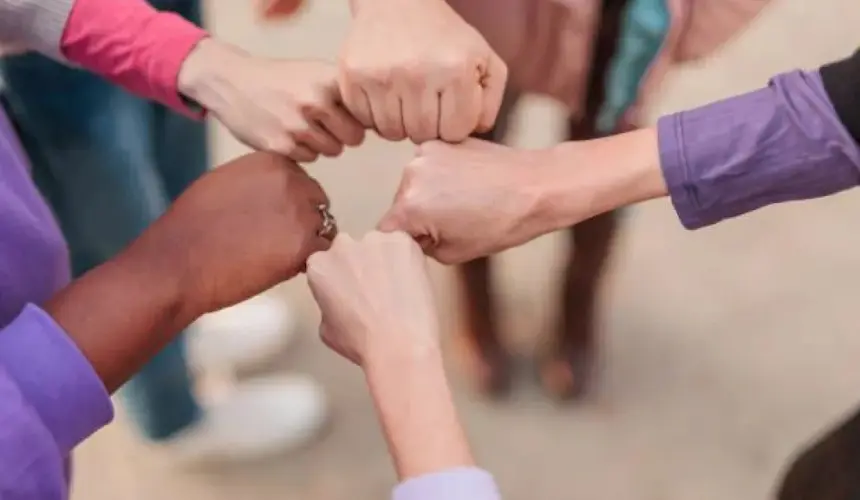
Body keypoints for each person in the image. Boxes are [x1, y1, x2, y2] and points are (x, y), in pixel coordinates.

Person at [0, 0, 330, 460]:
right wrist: (176, 272)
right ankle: (174, 417)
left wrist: (190, 60)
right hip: (42, 56)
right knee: (116, 235)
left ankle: (189, 334)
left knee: (176, 170)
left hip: (135, 19)